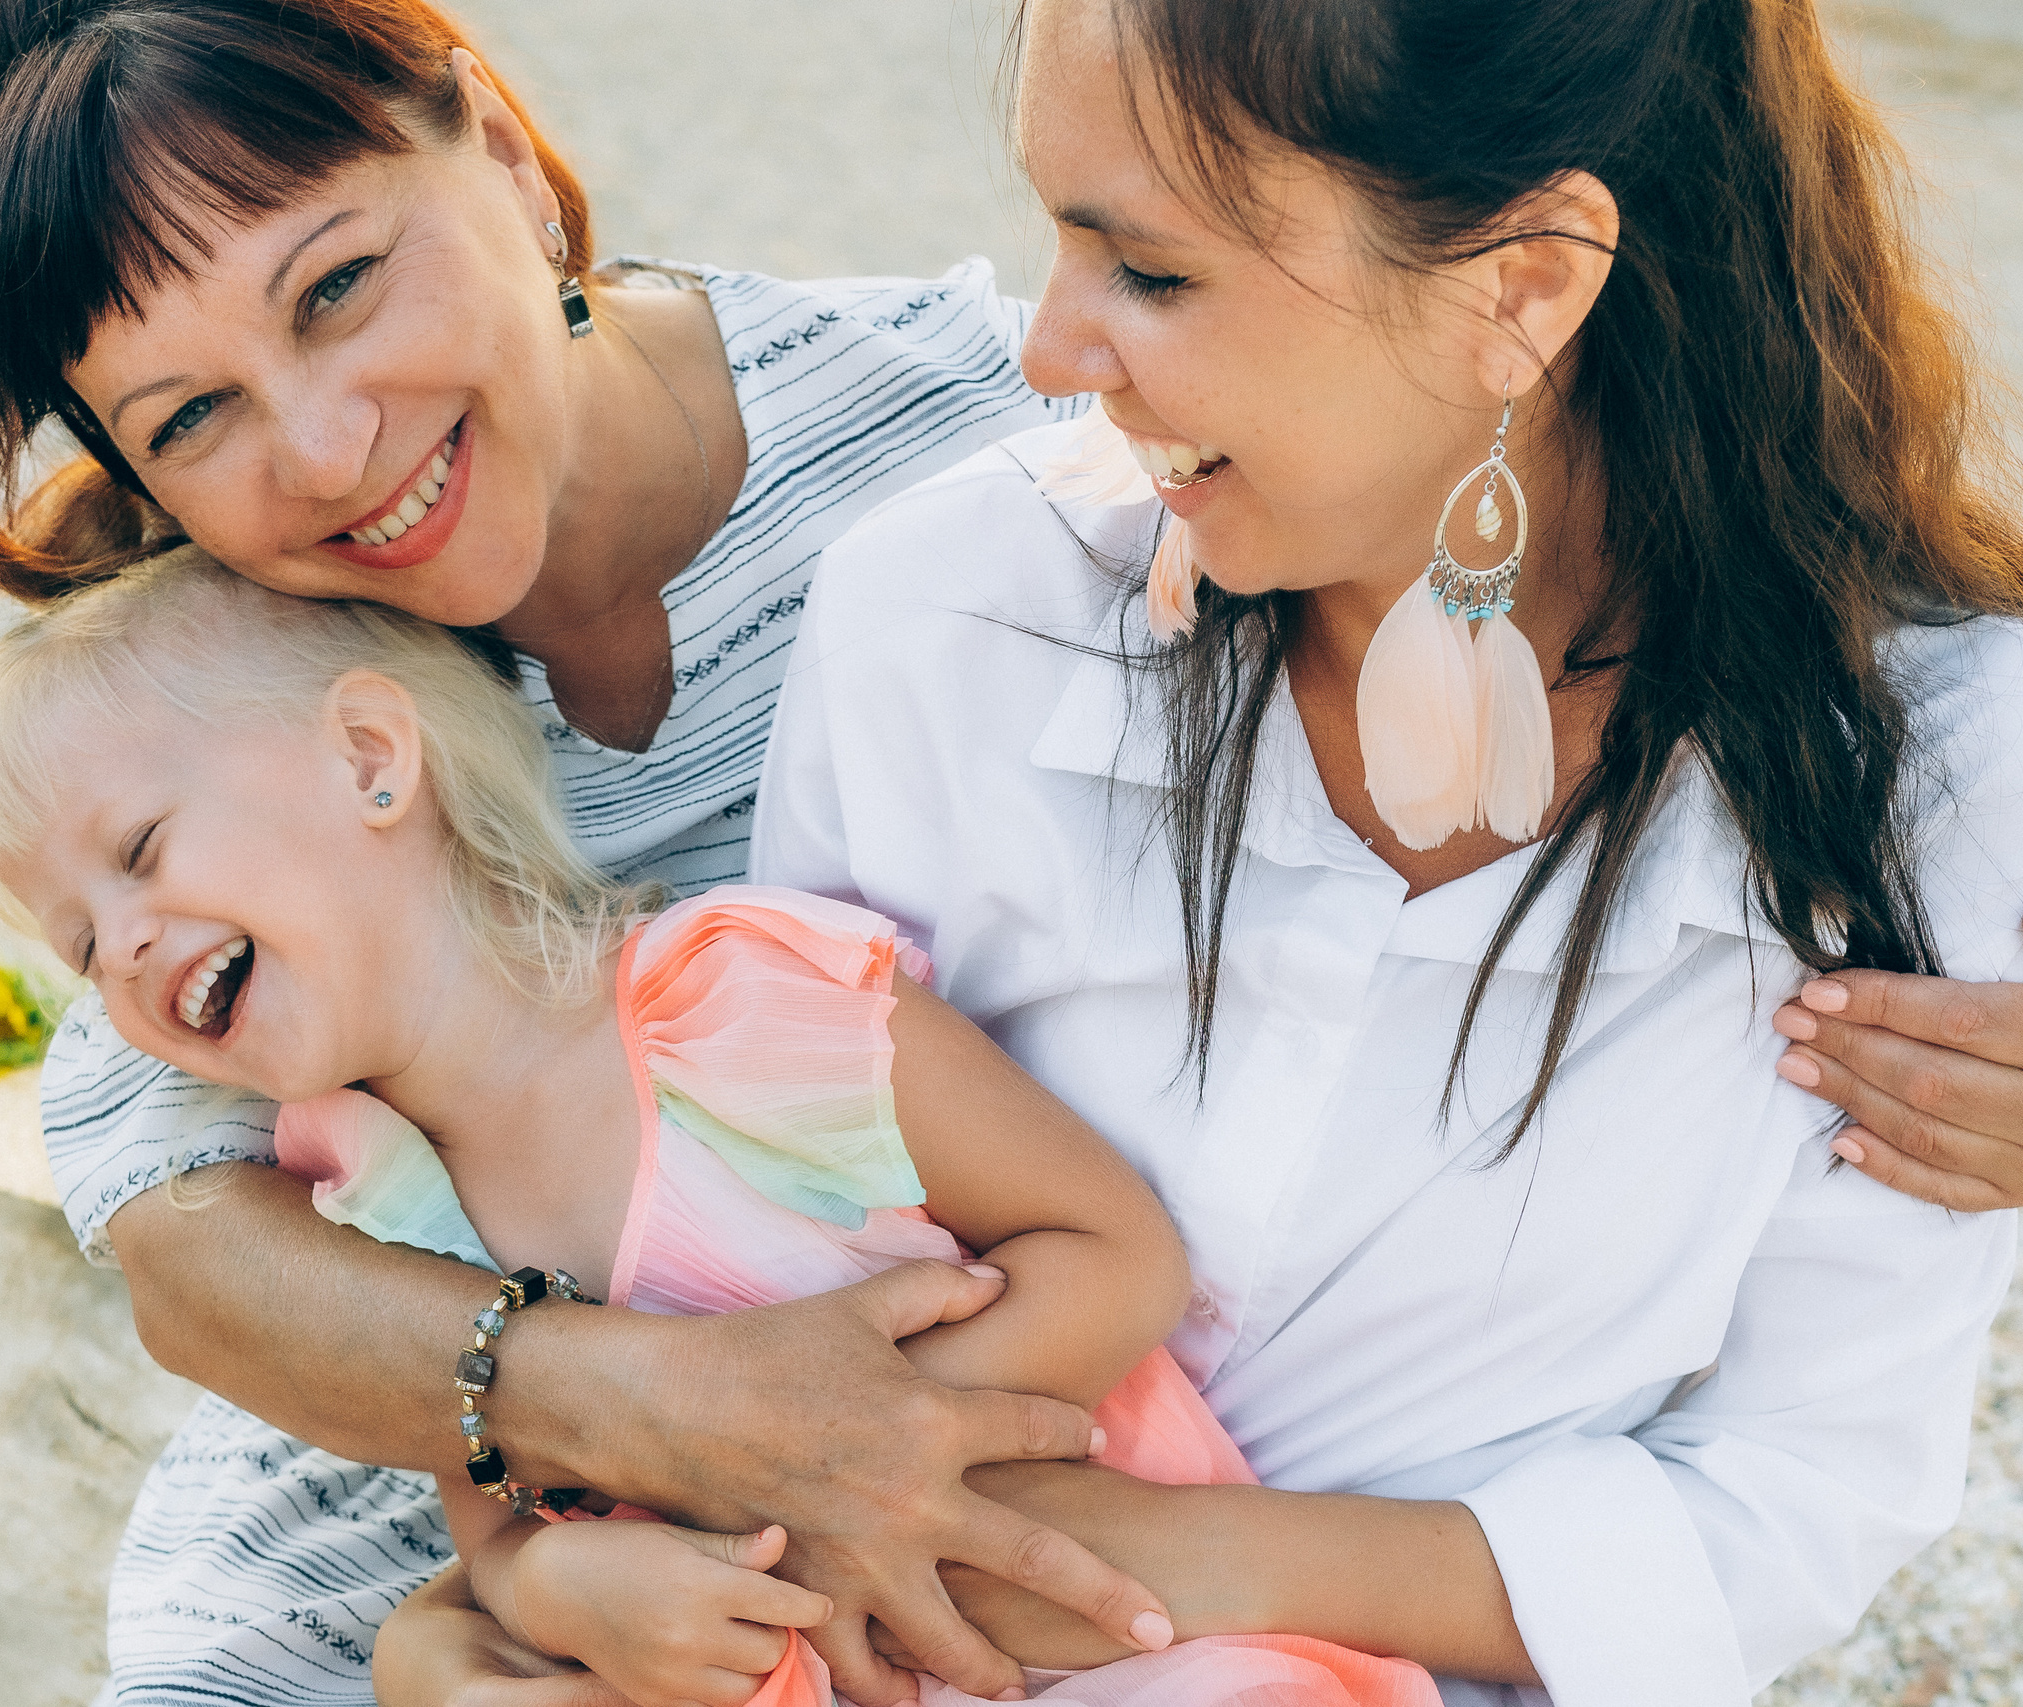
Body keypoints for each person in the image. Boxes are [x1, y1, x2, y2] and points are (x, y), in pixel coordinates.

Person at [0, 0, 2023, 1701]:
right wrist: (536, 1555)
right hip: (597, 1522)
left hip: (930, 1525)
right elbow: (191, 1221)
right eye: (186, 414)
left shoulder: (944, 467)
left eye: (341, 285)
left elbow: (1788, 1482)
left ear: (491, 139)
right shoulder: (245, 655)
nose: (326, 441)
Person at [728, 0, 2019, 1699]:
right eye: (1060, 238)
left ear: (1525, 289)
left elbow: (1797, 1487)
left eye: (1155, 274)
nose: (1051, 350)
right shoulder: (947, 617)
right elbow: (733, 1236)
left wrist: (1183, 1570)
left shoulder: (1944, 776)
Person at [0, 545, 1445, 1707]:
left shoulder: (737, 1012)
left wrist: (857, 1448)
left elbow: (1113, 1253)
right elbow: (500, 1511)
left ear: (369, 759)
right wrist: (562, 1592)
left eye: (141, 854)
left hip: (1106, 1635)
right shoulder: (379, 1201)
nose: (125, 949)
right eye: (79, 943)